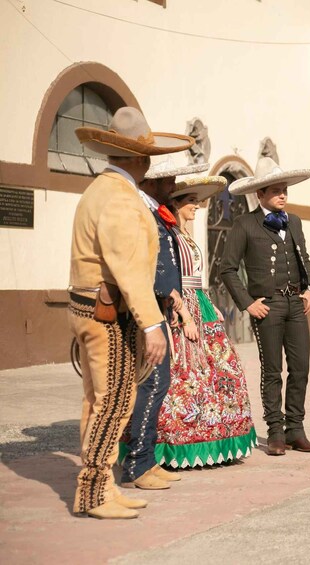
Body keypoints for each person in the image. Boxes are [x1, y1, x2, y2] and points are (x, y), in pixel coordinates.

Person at [69, 107, 193, 519]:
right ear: (140, 160)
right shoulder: (120, 197)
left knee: (98, 400)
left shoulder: (100, 190)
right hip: (108, 312)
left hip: (93, 306)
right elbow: (128, 267)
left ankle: (100, 485)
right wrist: (151, 324)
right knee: (114, 401)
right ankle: (94, 492)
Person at [156, 175, 258, 467]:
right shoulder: (169, 234)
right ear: (174, 203)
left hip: (201, 304)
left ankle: (218, 439)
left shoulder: (183, 233)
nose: (197, 206)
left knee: (223, 369)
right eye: (190, 201)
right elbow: (167, 275)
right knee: (186, 373)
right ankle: (177, 442)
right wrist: (182, 313)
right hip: (181, 307)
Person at [221, 157, 310, 456]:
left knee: (300, 368)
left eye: (284, 189)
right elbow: (227, 269)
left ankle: (296, 430)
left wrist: (309, 288)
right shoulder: (244, 224)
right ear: (260, 194)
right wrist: (248, 303)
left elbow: (304, 257)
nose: (283, 195)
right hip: (268, 306)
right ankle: (275, 431)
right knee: (273, 370)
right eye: (275, 190)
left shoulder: (295, 221)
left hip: (295, 304)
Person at [120, 158, 206, 490]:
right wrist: (172, 300)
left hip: (159, 306)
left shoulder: (156, 211)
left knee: (158, 383)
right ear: (153, 181)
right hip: (146, 309)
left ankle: (145, 460)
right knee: (152, 384)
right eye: (168, 178)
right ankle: (136, 466)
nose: (173, 183)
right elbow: (148, 263)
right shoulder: (142, 211)